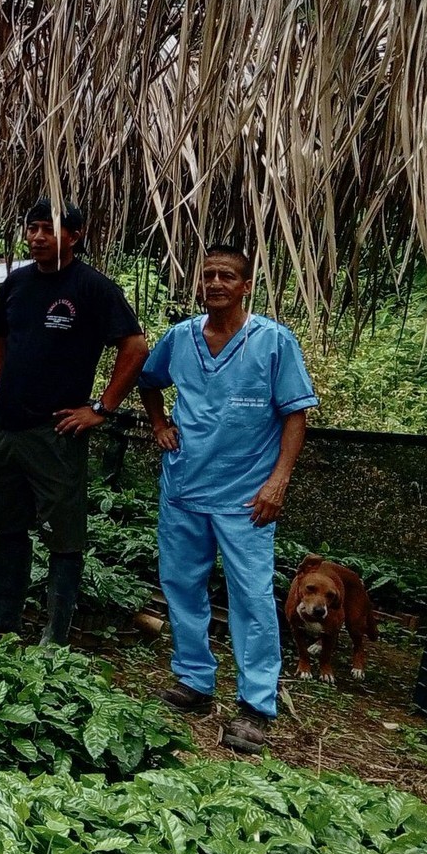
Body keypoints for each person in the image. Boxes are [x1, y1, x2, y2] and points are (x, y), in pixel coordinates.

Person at [139, 246, 315, 754]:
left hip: (247, 498)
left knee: (252, 597)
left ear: (245, 286)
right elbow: (148, 381)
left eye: (227, 276)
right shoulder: (181, 338)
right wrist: (160, 423)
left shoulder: (273, 341)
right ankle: (194, 679)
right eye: (209, 275)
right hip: (184, 487)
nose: (216, 283)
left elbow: (296, 415)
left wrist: (278, 482)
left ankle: (256, 705)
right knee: (181, 585)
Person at [0, 201, 149, 644]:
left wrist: (101, 408)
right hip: (7, 426)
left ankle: (55, 635)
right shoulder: (18, 281)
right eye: (32, 228)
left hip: (57, 430)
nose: (38, 237)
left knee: (63, 533)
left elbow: (136, 348)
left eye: (49, 229)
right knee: (6, 521)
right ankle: (1, 614)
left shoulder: (93, 287)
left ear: (75, 236)